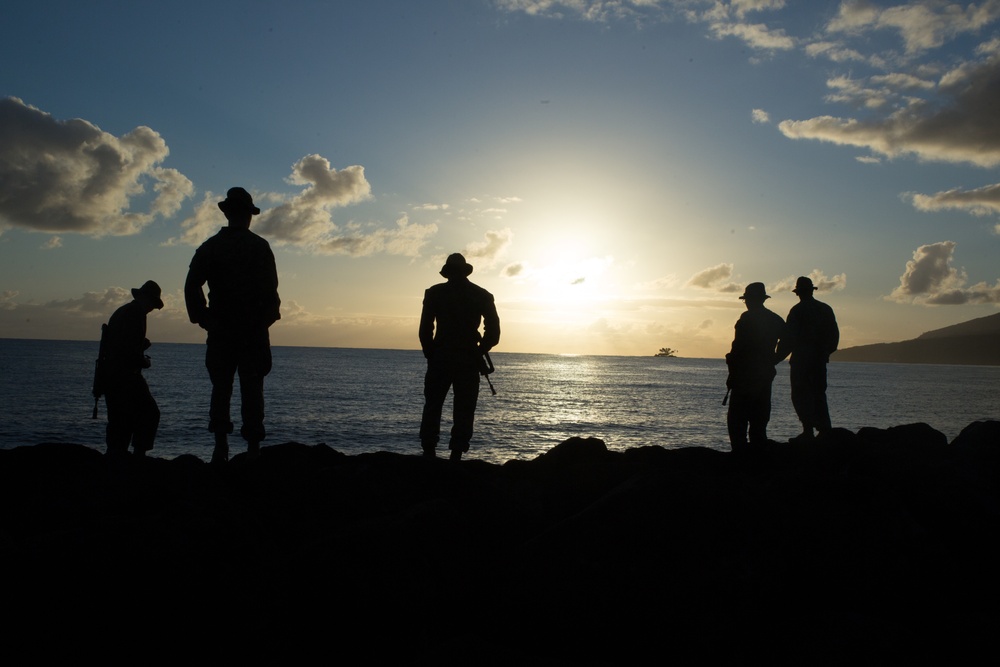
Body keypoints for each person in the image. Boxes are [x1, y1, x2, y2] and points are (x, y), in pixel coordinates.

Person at [185, 187, 280, 464]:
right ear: (248, 216)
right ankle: (251, 449)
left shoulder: (211, 247)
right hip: (247, 332)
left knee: (222, 388)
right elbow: (271, 292)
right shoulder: (258, 247)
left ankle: (221, 447)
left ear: (227, 213)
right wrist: (262, 323)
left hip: (224, 331)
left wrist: (205, 319)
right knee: (251, 389)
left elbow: (192, 285)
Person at [419, 253, 500, 461]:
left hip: (442, 357)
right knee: (464, 408)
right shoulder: (481, 295)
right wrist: (480, 350)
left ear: (448, 273)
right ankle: (456, 454)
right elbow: (494, 332)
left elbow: (425, 330)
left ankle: (429, 451)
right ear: (465, 272)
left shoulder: (434, 293)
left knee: (433, 405)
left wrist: (431, 353)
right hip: (467, 358)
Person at [99, 280, 163, 457]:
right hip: (125, 376)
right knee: (149, 414)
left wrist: (140, 347)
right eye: (152, 303)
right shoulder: (135, 314)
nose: (151, 308)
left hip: (112, 375)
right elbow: (127, 351)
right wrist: (144, 361)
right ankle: (137, 457)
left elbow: (121, 344)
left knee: (120, 422)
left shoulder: (125, 312)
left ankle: (117, 460)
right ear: (145, 299)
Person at [776, 276, 839, 442]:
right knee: (818, 393)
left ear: (798, 293)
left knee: (800, 394)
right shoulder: (825, 309)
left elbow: (789, 339)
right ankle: (824, 429)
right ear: (811, 291)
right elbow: (834, 336)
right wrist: (824, 353)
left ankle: (808, 430)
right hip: (819, 360)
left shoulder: (797, 311)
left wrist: (775, 358)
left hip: (802, 361)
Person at [725, 282, 786, 454]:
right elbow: (789, 340)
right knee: (759, 418)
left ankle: (741, 455)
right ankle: (756, 455)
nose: (747, 303)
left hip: (745, 375)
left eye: (747, 299)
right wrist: (774, 359)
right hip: (763, 374)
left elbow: (737, 349)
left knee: (738, 419)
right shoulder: (774, 319)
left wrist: (732, 373)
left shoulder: (746, 319)